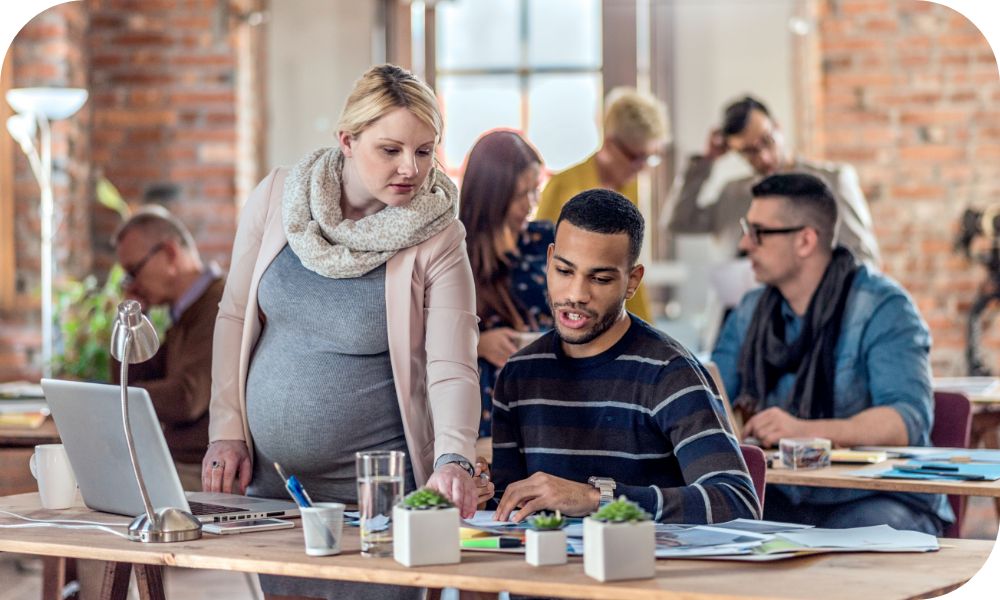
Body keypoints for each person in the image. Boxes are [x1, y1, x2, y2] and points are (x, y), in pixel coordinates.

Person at [202, 64, 490, 600]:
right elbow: (236, 315)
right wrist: (227, 430)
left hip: (379, 497)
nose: (412, 168)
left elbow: (453, 361)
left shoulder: (438, 235)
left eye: (425, 151)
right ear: (347, 141)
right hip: (276, 488)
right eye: (391, 149)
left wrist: (454, 457)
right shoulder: (278, 198)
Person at [491, 189, 759, 524]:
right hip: (548, 570)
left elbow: (736, 502)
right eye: (563, 271)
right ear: (548, 260)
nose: (576, 294)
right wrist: (480, 493)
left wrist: (597, 499)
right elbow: (505, 507)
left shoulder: (669, 373)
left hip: (646, 571)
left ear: (632, 282)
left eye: (600, 278)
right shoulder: (519, 374)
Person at [711, 173, 951, 534]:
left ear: (806, 240)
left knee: (854, 546)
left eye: (759, 232)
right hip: (780, 494)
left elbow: (906, 420)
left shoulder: (882, 307)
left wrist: (804, 430)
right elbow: (712, 401)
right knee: (717, 527)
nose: (746, 244)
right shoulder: (749, 310)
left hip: (874, 498)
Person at [664, 95, 880, 266]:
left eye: (766, 141)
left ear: (778, 127)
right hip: (739, 316)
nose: (763, 157)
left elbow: (864, 258)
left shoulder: (833, 181)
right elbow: (678, 222)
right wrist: (706, 161)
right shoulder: (732, 194)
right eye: (749, 151)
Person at [534, 88, 670, 324]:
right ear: (610, 144)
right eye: (636, 157)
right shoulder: (562, 187)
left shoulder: (631, 187)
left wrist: (647, 329)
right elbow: (541, 266)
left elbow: (626, 266)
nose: (642, 167)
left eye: (649, 158)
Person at [112, 206, 223, 491]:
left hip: (201, 471)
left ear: (170, 254)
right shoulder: (183, 314)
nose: (131, 284)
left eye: (133, 271)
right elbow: (130, 378)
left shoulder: (218, 304)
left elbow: (186, 398)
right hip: (177, 463)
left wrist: (119, 398)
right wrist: (132, 318)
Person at [458, 130, 554, 442]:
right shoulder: (458, 253)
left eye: (535, 190)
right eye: (519, 195)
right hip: (487, 409)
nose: (531, 204)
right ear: (492, 198)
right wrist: (478, 343)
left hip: (548, 394)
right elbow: (419, 340)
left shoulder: (545, 240)